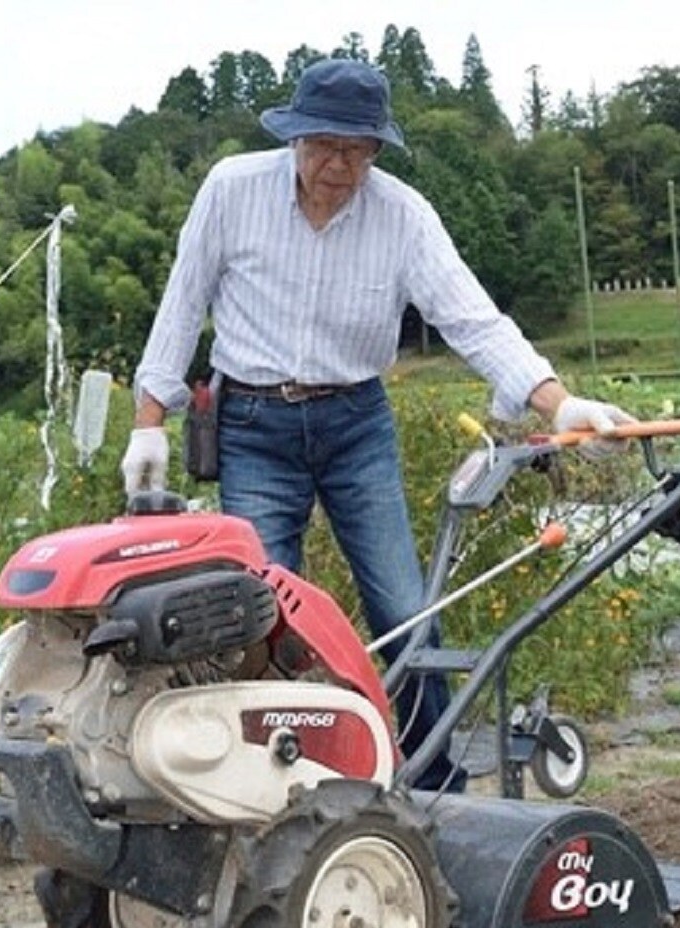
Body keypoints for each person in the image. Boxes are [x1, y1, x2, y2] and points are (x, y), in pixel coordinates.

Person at [122, 58, 633, 791]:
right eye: (326, 144)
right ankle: (276, 790)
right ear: (295, 137)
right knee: (264, 615)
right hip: (253, 424)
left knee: (406, 607)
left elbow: (473, 320)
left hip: (355, 422)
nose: (340, 164)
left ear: (378, 150)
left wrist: (559, 403)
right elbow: (181, 304)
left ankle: (437, 787)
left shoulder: (403, 217)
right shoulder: (231, 191)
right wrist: (149, 423)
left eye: (359, 150)